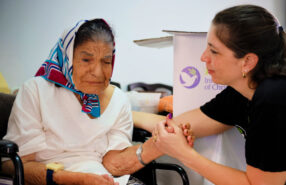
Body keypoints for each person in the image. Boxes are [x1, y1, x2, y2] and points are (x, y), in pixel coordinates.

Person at [136, 5, 286, 185]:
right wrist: (124, 108)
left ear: (248, 61)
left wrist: (184, 154)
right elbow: (182, 123)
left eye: (214, 51)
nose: (203, 58)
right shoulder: (244, 88)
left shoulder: (274, 96)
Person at [1, 19, 192, 185]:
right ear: (68, 59)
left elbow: (112, 163)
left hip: (100, 177)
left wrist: (157, 145)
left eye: (106, 61)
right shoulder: (36, 91)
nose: (98, 72)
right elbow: (16, 165)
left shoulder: (118, 99)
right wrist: (75, 179)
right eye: (86, 59)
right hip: (49, 179)